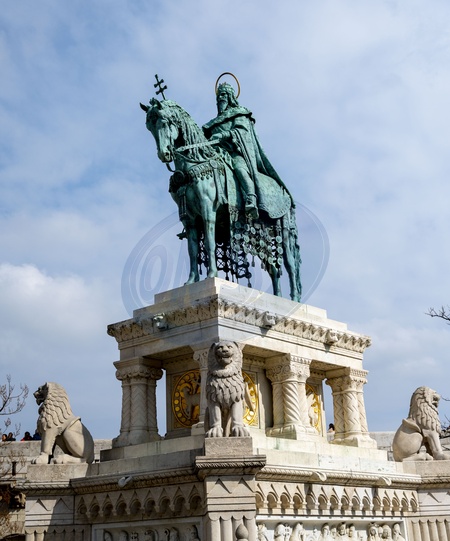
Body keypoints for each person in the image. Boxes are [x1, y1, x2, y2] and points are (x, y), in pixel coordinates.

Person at [203, 81, 293, 220]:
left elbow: (242, 132)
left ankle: (251, 198)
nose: (220, 98)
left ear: (230, 97)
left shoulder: (239, 113)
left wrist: (223, 135)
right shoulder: (211, 124)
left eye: (224, 95)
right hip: (216, 155)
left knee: (239, 169)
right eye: (219, 96)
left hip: (235, 153)